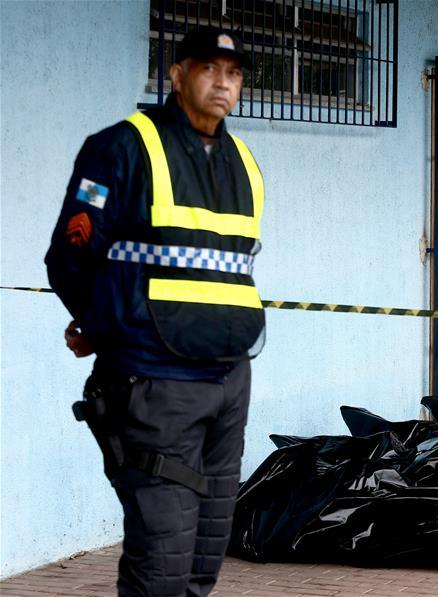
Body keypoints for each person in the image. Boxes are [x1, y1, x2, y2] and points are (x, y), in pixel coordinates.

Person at [45, 28, 265, 595]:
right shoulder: (122, 147)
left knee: (203, 561)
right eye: (209, 68)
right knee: (161, 564)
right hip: (153, 381)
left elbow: (217, 269)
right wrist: (103, 325)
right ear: (177, 75)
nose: (223, 83)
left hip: (229, 378)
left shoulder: (243, 160)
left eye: (234, 73)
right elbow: (72, 254)